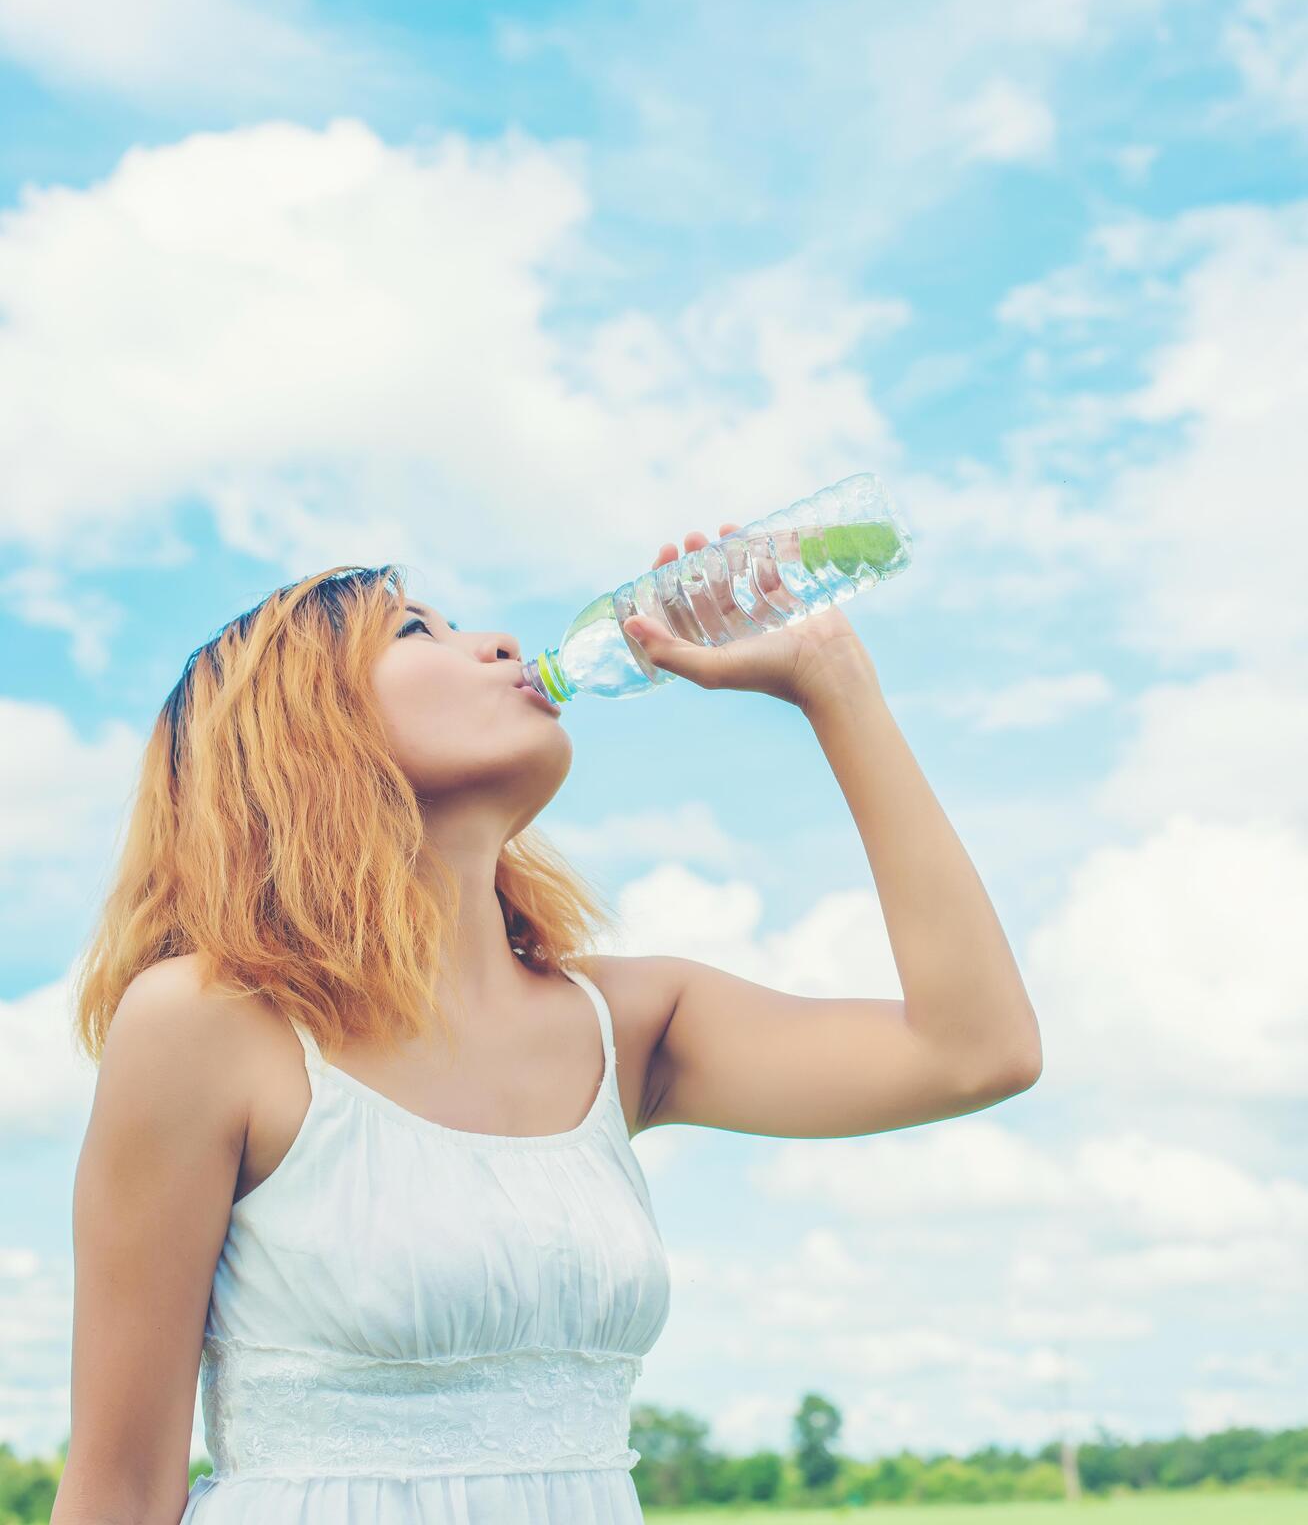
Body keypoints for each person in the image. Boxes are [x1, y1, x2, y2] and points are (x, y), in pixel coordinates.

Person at [53, 525, 1042, 1524]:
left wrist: (833, 679)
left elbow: (976, 1051)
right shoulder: (205, 1024)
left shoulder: (634, 1024)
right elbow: (123, 1486)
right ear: (298, 735)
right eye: (412, 631)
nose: (497, 644)